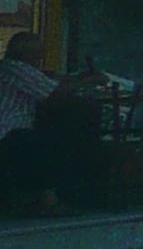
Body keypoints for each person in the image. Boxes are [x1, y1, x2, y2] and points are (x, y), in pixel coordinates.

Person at [0, 31, 93, 215]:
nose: (41, 58)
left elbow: (48, 81)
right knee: (52, 143)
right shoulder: (17, 68)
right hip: (8, 133)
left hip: (11, 134)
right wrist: (91, 80)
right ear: (29, 54)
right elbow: (55, 92)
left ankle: (26, 198)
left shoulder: (8, 67)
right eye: (39, 53)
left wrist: (76, 78)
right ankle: (48, 201)